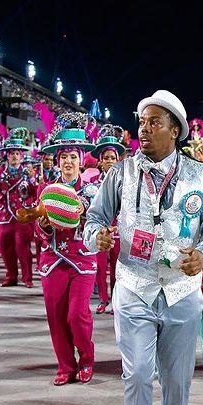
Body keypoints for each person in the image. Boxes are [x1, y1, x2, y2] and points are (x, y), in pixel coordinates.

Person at [83, 90, 203, 405]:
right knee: (139, 374)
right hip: (134, 287)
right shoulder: (121, 173)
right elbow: (93, 221)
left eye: (154, 122)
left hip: (181, 290)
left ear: (175, 130)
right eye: (142, 122)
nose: (144, 129)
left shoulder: (201, 175)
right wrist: (99, 238)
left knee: (177, 379)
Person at [35, 115, 99, 385]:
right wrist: (42, 224)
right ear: (57, 161)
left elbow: (104, 224)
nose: (68, 163)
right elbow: (38, 233)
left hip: (82, 260)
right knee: (56, 317)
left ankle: (86, 358)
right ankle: (65, 366)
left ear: (82, 160)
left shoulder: (93, 192)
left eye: (73, 157)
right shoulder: (46, 190)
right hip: (53, 260)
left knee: (77, 314)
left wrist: (85, 216)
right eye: (63, 158)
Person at [90, 125, 127, 314]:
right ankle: (103, 299)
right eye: (106, 158)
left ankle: (115, 300)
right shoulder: (92, 184)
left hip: (119, 232)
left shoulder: (127, 183)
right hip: (100, 232)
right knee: (100, 266)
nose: (110, 161)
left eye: (113, 158)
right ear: (100, 161)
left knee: (116, 268)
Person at [0, 129, 37, 288]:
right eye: (11, 153)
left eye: (17, 153)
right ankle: (11, 276)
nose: (14, 156)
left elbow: (35, 192)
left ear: (22, 156)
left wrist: (32, 179)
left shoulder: (28, 172)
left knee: (22, 247)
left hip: (23, 215)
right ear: (6, 155)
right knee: (6, 248)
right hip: (5, 215)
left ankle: (27, 277)